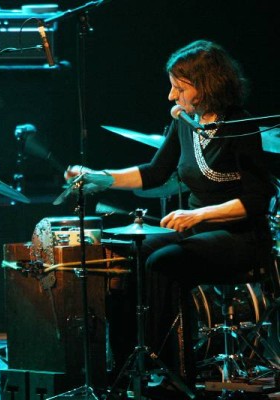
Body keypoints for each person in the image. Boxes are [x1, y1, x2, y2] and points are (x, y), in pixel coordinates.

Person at [66, 40, 274, 389]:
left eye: (179, 87)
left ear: (205, 85)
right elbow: (154, 172)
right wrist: (102, 177)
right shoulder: (185, 124)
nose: (170, 96)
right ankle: (123, 364)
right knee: (127, 254)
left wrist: (198, 216)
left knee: (163, 260)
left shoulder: (241, 125)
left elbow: (257, 199)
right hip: (198, 232)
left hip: (242, 237)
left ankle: (174, 369)